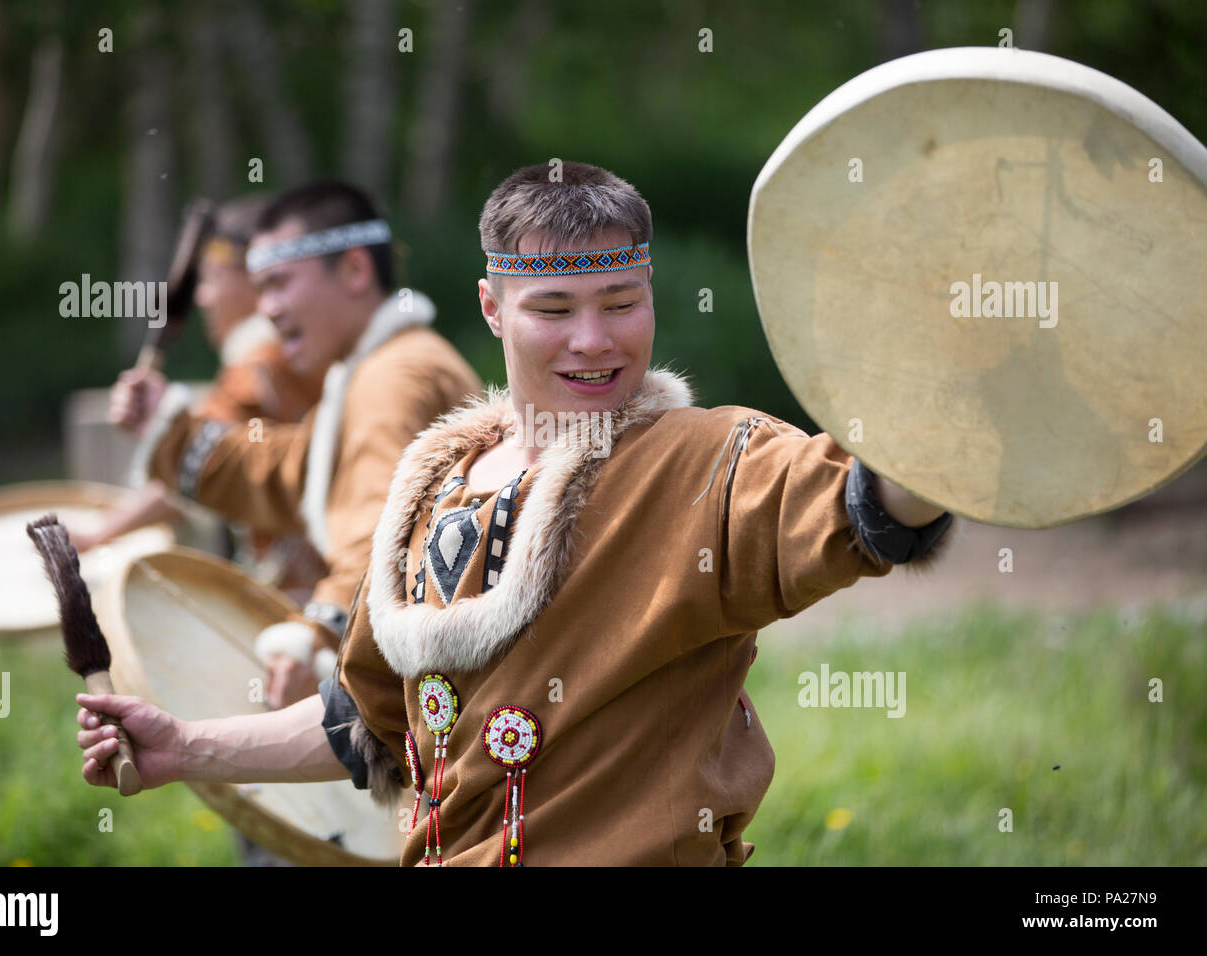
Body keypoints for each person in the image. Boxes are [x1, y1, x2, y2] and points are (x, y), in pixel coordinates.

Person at [78, 162, 954, 865]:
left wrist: (956, 404)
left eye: (622, 304)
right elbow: (376, 719)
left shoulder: (706, 461)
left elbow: (864, 498)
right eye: (554, 309)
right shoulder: (439, 483)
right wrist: (186, 745)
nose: (594, 340)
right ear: (494, 308)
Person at [109, 180, 482, 708]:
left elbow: (381, 528)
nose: (268, 309)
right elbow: (289, 470)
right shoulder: (371, 371)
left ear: (354, 270)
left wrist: (319, 633)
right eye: (259, 289)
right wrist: (171, 429)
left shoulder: (394, 378)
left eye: (280, 283)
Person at [73, 196, 329, 600]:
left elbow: (199, 465)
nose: (202, 298)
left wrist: (97, 535)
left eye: (212, 279)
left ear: (251, 279)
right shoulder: (301, 351)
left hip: (312, 598)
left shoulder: (258, 363)